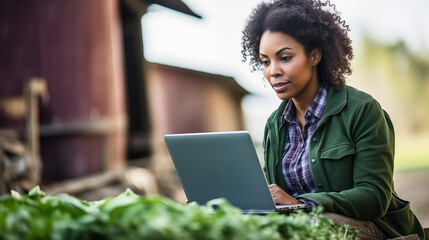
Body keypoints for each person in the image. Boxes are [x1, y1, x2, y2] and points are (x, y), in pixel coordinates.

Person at [241, 0, 425, 239]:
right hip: (302, 228)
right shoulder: (274, 126)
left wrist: (302, 203)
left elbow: (374, 197)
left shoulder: (362, 110)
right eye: (265, 61)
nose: (273, 71)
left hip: (373, 228)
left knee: (312, 225)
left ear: (315, 55)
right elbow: (276, 200)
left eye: (285, 58)